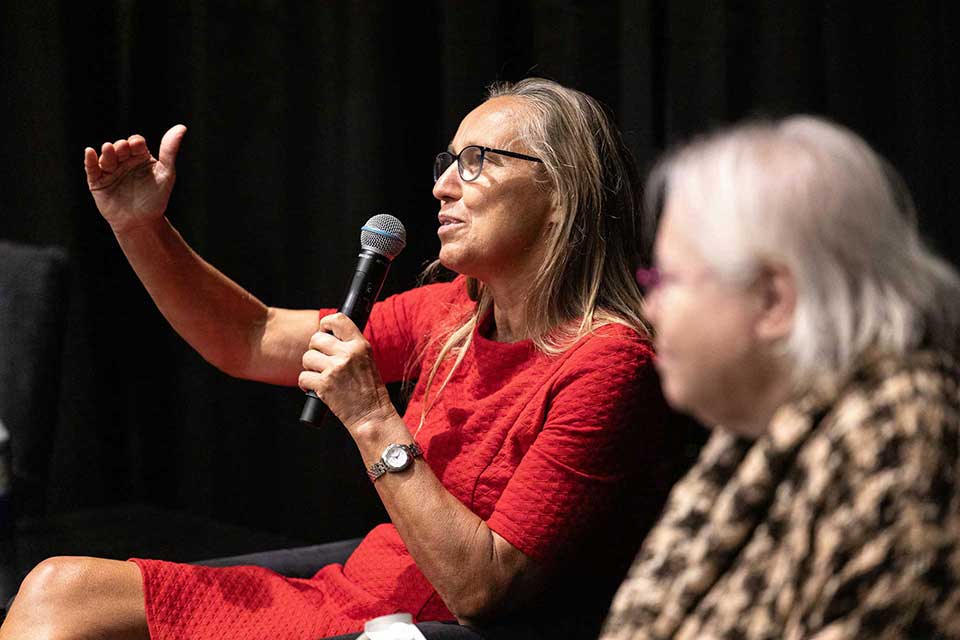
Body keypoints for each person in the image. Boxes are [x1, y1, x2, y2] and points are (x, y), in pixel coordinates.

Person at [0, 79, 685, 639]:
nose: (445, 186)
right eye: (447, 163)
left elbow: (482, 588)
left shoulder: (608, 364)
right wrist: (142, 228)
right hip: (353, 594)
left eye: (478, 162)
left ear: (563, 190)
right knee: (58, 589)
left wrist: (369, 417)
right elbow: (252, 337)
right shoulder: (449, 312)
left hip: (419, 629)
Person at [600, 116, 960, 639]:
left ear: (773, 300)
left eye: (664, 279)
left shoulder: (901, 429)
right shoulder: (758, 431)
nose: (649, 308)